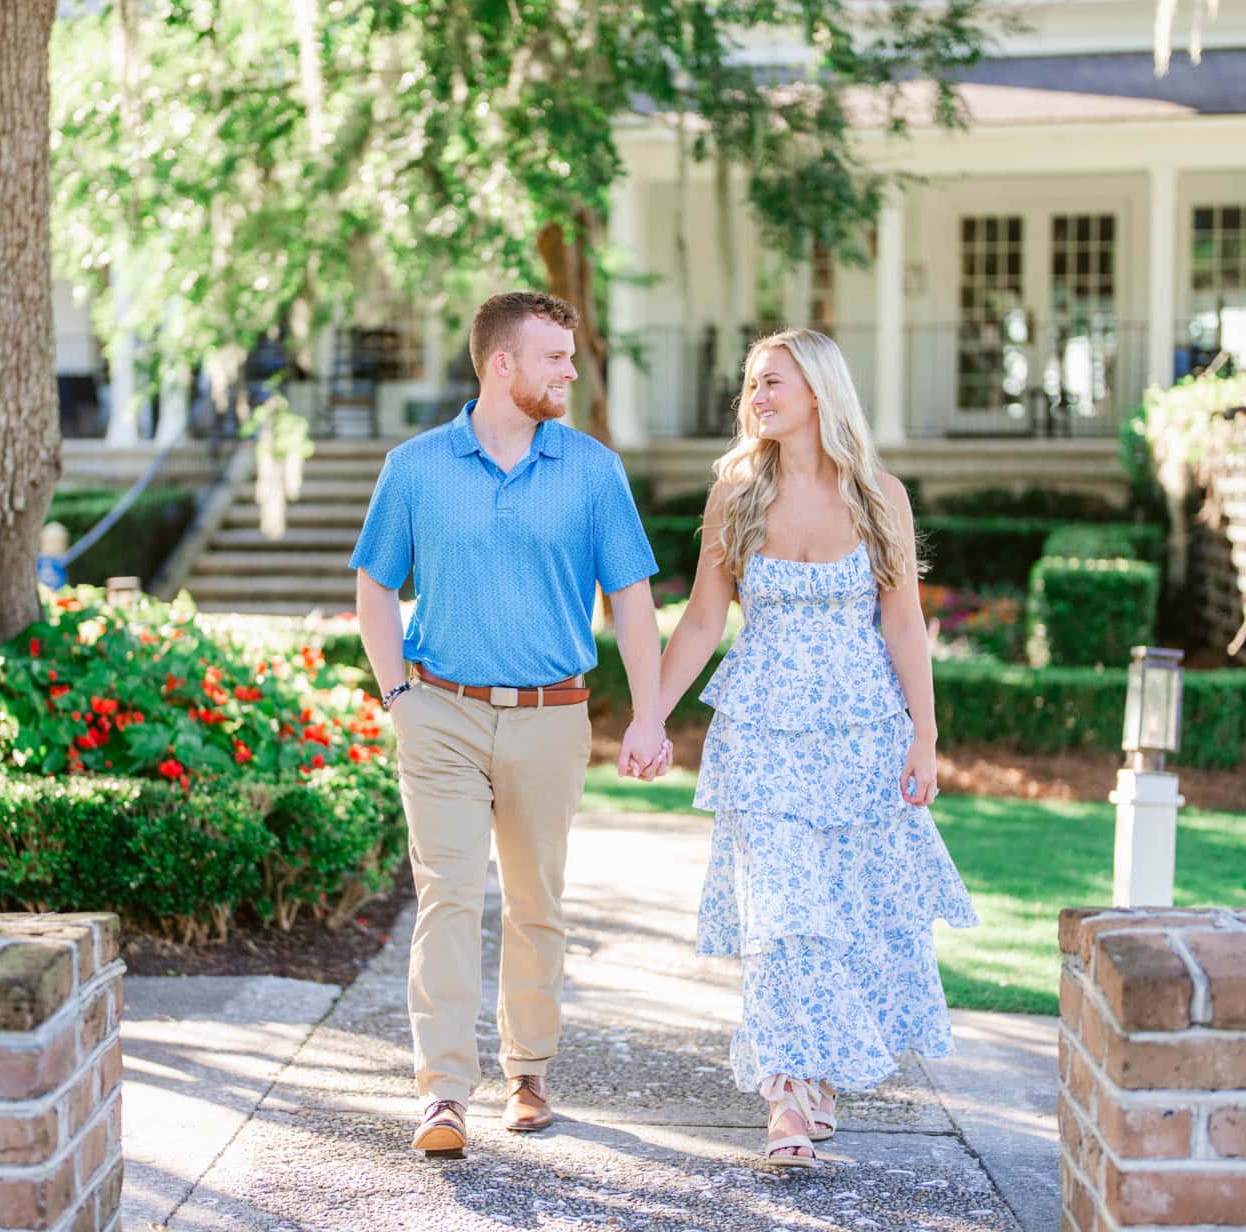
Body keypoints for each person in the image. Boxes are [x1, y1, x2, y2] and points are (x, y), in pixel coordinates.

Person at [351, 290, 673, 1159]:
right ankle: (444, 1093)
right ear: (502, 364)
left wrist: (649, 715)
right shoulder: (415, 467)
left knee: (536, 903)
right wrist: (398, 697)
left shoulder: (592, 469)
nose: (571, 371)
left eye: (570, 357)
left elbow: (634, 601)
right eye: (555, 357)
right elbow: (375, 588)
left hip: (551, 717)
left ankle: (527, 1073)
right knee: (447, 899)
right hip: (441, 714)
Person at [652, 328, 977, 1167]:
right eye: (753, 383)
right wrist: (651, 711)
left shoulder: (879, 496)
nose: (757, 396)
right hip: (762, 732)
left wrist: (925, 737)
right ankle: (788, 1094)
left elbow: (904, 622)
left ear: (821, 393)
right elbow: (700, 619)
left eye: (774, 383)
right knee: (783, 913)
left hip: (863, 735)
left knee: (848, 916)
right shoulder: (736, 493)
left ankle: (819, 1072)